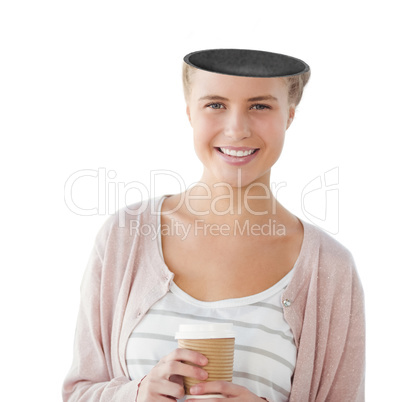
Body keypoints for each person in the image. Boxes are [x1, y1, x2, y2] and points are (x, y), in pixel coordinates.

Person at [62, 49, 365, 401]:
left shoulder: (329, 269)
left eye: (260, 106)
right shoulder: (125, 237)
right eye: (215, 105)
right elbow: (78, 392)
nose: (237, 129)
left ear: (290, 115)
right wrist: (135, 395)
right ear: (190, 111)